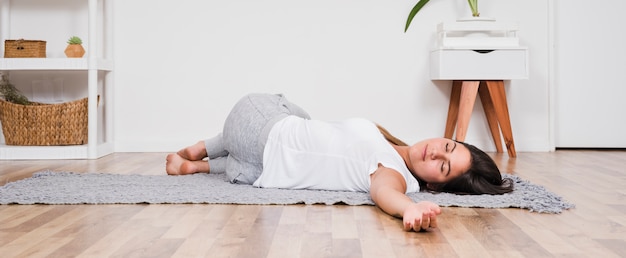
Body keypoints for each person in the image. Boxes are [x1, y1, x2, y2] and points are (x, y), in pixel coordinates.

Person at [166, 93, 513, 232]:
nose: (436, 152)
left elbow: (384, 191)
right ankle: (200, 168)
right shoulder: (391, 149)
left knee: (281, 103)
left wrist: (407, 209)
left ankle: (202, 148)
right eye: (447, 146)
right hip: (257, 172)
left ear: (436, 185)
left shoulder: (393, 172)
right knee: (302, 129)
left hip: (252, 125)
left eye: (442, 166)